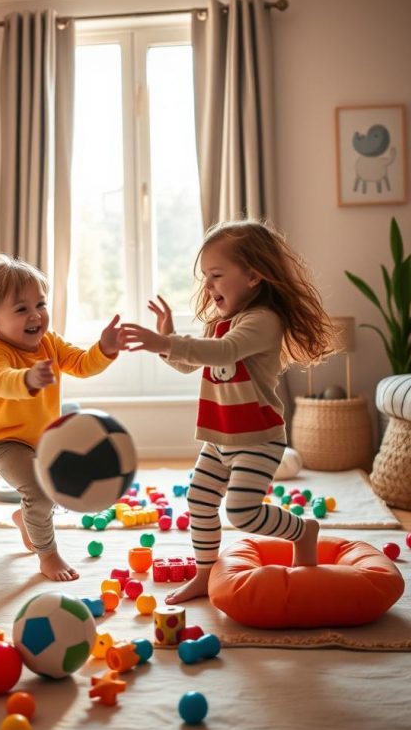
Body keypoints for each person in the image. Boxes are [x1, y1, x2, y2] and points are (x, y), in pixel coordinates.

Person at [122, 219, 335, 604]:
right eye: (205, 276)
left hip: (258, 438)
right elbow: (191, 364)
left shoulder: (263, 321)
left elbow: (225, 353)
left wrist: (167, 340)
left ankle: (303, 531)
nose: (208, 285)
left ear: (253, 275)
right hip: (219, 437)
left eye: (216, 275)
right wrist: (164, 343)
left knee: (241, 511)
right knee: (199, 501)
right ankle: (205, 574)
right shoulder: (221, 324)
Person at [0, 253, 127, 581]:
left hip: (44, 439)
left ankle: (25, 519)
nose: (36, 315)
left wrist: (105, 348)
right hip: (5, 441)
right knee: (40, 493)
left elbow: (84, 364)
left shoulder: (50, 343)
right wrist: (27, 380)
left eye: (40, 304)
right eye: (21, 308)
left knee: (55, 488)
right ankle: (49, 556)